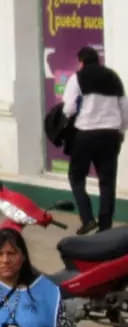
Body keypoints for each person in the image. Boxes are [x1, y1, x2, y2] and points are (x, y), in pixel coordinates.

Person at [61, 46, 124, 234]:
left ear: (81, 61)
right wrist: (120, 132)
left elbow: (69, 108)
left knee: (77, 177)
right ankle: (105, 227)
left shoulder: (77, 77)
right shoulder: (114, 77)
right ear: (98, 60)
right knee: (107, 182)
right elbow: (125, 109)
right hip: (110, 134)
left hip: (86, 133)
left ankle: (88, 219)